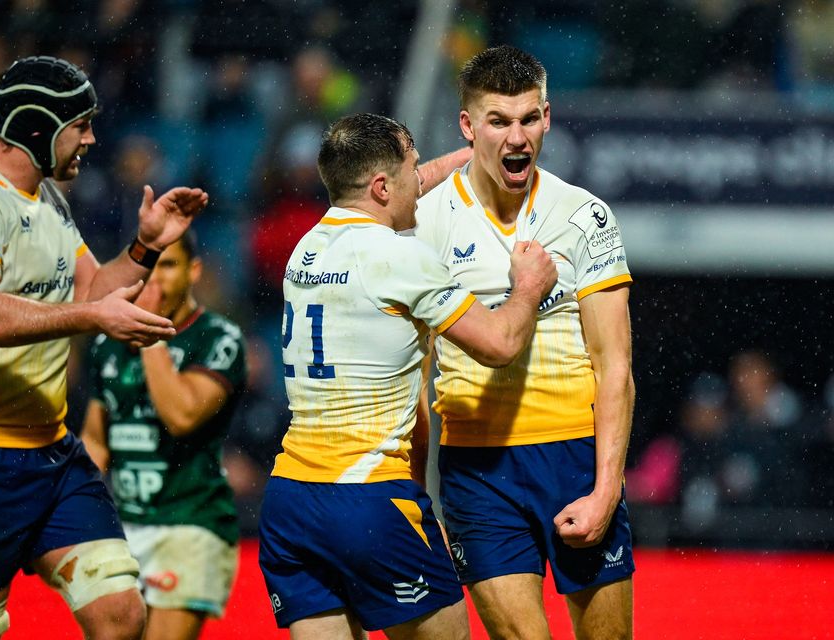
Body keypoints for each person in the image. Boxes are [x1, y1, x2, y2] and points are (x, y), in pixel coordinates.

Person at [0, 55, 208, 640]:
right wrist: (93, 315)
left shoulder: (45, 195)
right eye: (80, 124)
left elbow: (90, 291)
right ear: (38, 125)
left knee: (121, 613)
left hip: (52, 453)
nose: (92, 138)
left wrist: (145, 247)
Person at [257, 113, 557, 640]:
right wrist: (527, 287)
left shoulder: (305, 251)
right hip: (367, 499)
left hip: (290, 502)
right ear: (379, 186)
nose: (420, 187)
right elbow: (501, 344)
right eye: (412, 172)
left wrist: (466, 159)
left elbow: (393, 192)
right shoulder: (400, 258)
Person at [414, 46, 635, 639]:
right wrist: (411, 489)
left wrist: (605, 490)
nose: (518, 137)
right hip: (477, 472)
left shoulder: (584, 215)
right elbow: (414, 374)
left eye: (529, 118)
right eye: (498, 121)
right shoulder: (427, 222)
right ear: (467, 126)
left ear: (547, 117)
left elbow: (614, 366)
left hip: (574, 459)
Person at [80, 232, 246, 640]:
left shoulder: (219, 339)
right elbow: (96, 440)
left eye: (168, 265)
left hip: (190, 522)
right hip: (122, 526)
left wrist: (149, 331)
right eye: (149, 265)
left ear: (193, 271)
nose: (154, 279)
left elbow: (181, 414)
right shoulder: (107, 343)